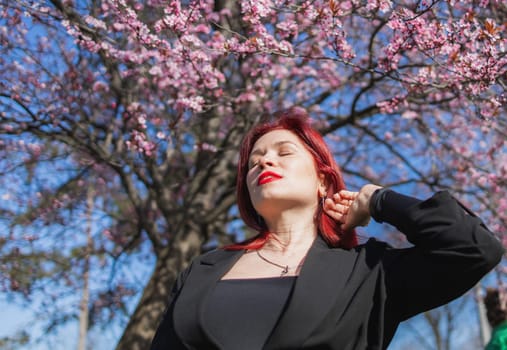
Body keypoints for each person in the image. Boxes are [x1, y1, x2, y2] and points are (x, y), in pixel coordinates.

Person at [150, 107, 504, 350]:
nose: (264, 162)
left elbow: (474, 248)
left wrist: (377, 200)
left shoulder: (368, 273)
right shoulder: (202, 271)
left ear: (323, 179)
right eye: (254, 163)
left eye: (283, 152)